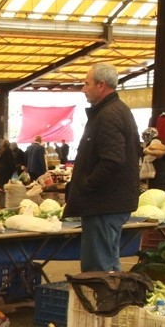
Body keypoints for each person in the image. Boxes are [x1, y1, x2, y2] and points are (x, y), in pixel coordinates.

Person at [66, 63, 139, 273]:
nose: (83, 88)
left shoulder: (109, 114)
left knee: (98, 269)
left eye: (86, 83)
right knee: (109, 264)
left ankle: (102, 304)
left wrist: (87, 185)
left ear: (101, 85)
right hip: (108, 203)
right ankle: (112, 303)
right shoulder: (114, 111)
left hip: (104, 204)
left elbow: (113, 160)